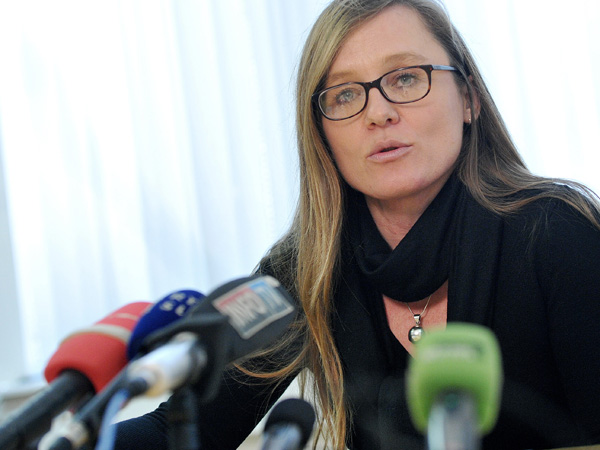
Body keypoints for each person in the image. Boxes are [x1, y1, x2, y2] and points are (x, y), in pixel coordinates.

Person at [115, 0, 600, 448]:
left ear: (468, 97)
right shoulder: (305, 269)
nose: (379, 113)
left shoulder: (557, 233)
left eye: (406, 78)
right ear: (321, 133)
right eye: (346, 95)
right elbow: (182, 430)